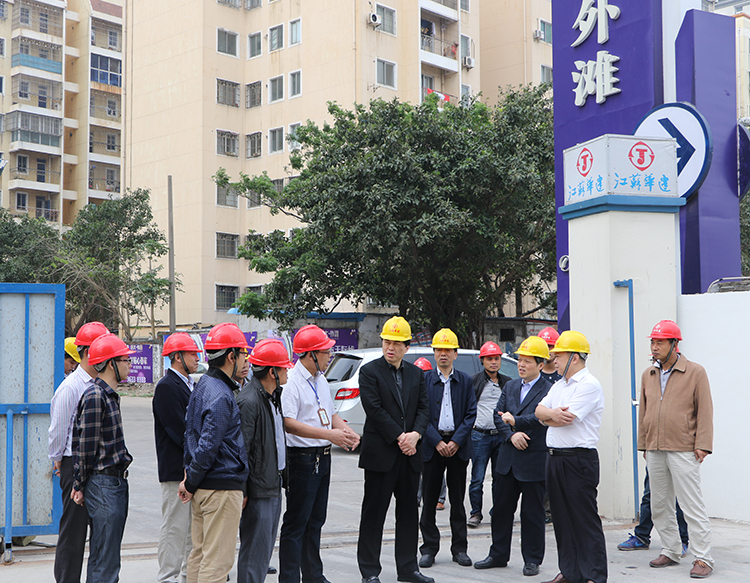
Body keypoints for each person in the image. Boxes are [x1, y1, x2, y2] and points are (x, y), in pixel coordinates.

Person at [279, 325, 359, 583]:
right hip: (302, 459)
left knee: (316, 520)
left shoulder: (320, 379)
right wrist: (329, 434)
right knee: (296, 523)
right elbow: (289, 423)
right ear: (310, 354)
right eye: (326, 352)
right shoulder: (291, 382)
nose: (329, 356)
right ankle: (289, 578)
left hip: (323, 457)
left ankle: (314, 576)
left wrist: (346, 431)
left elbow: (330, 413)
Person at [357, 316, 432, 583]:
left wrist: (416, 435)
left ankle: (408, 569)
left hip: (410, 456)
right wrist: (401, 437)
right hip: (382, 454)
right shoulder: (369, 371)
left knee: (409, 513)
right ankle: (369, 571)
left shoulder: (416, 374)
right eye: (387, 342)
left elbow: (424, 408)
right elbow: (374, 409)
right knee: (374, 514)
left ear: (407, 347)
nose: (391, 347)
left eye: (397, 343)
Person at [638, 320, 714, 578]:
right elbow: (644, 412)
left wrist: (703, 445)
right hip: (655, 448)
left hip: (683, 447)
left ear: (674, 344)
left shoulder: (695, 372)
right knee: (659, 504)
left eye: (660, 342)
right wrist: (644, 444)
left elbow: (705, 410)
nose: (654, 347)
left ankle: (703, 558)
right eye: (653, 342)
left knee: (691, 505)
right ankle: (671, 550)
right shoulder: (648, 374)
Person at [178, 322, 250, 583]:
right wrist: (191, 480)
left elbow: (190, 436)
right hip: (220, 488)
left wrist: (191, 479)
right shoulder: (221, 394)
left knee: (200, 555)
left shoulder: (204, 385)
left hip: (204, 486)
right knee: (217, 564)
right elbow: (209, 444)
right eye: (243, 354)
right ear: (231, 356)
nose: (246, 360)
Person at [474, 336, 552, 577]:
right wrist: (511, 435)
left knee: (532, 514)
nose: (521, 365)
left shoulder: (548, 390)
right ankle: (498, 554)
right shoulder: (510, 386)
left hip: (533, 459)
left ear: (540, 365)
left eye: (527, 361)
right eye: (520, 360)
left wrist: (515, 422)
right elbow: (498, 415)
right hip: (508, 459)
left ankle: (532, 559)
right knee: (501, 510)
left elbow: (541, 418)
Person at [535, 330, 607, 583]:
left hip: (578, 460)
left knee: (583, 519)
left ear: (574, 357)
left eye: (559, 356)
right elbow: (538, 411)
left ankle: (593, 575)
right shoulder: (559, 385)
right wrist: (549, 415)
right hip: (554, 458)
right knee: (562, 519)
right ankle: (570, 572)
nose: (554, 360)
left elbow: (567, 419)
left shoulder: (588, 385)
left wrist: (548, 417)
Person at [71, 333, 135, 583]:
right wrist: (79, 484)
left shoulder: (107, 395)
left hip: (112, 483)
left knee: (105, 553)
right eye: (125, 360)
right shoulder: (96, 396)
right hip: (104, 484)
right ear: (111, 364)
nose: (129, 364)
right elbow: (85, 446)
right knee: (105, 558)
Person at [48, 321, 108, 583]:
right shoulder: (71, 387)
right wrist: (58, 459)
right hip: (73, 463)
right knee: (73, 530)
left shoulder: (101, 383)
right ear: (87, 352)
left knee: (100, 529)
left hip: (98, 464)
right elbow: (58, 430)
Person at [418, 328, 476, 569]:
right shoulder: (424, 380)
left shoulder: (465, 381)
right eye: (439, 350)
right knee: (429, 500)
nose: (443, 354)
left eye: (448, 350)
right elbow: (420, 414)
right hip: (432, 447)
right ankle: (428, 549)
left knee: (457, 501)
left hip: (457, 447)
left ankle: (459, 549)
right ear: (434, 353)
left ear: (455, 354)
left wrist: (455, 441)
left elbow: (471, 414)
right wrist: (437, 442)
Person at [236, 339, 293, 583]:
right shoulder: (249, 402)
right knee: (254, 553)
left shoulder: (272, 395)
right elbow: (242, 450)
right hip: (258, 489)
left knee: (264, 550)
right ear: (272, 372)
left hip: (272, 482)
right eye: (284, 367)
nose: (287, 371)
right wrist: (243, 490)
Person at [153, 333, 201, 583]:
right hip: (175, 470)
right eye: (192, 354)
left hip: (192, 468)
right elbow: (177, 430)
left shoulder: (191, 384)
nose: (197, 358)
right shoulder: (166, 387)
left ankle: (187, 574)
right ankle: (168, 576)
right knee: (175, 526)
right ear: (178, 357)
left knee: (192, 527)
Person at [467, 341, 511, 528]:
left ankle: (497, 512)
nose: (493, 362)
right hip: (480, 436)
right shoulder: (474, 381)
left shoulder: (507, 382)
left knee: (499, 478)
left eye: (496, 359)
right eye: (489, 359)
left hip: (501, 436)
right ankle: (475, 513)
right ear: (482, 361)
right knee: (477, 478)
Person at [617, 470, 689, 556]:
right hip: (656, 462)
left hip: (679, 462)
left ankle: (681, 541)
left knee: (679, 498)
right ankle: (641, 537)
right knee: (650, 495)